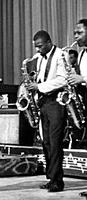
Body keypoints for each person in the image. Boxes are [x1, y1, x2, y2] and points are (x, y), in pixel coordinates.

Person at [26, 30, 67, 192]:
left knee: (55, 142)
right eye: (36, 46)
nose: (37, 50)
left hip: (56, 101)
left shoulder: (60, 55)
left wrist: (39, 87)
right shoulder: (37, 58)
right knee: (46, 142)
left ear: (48, 42)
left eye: (40, 46)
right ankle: (52, 177)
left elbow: (62, 79)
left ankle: (58, 181)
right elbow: (36, 77)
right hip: (42, 102)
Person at [67, 19, 87, 198]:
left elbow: (84, 78)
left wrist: (82, 79)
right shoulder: (81, 54)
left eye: (79, 33)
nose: (75, 37)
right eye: (75, 33)